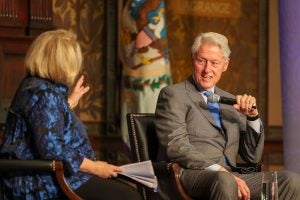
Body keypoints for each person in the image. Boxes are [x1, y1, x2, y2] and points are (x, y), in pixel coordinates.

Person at [154, 32, 300, 200]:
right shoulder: (174, 95)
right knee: (225, 180)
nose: (207, 69)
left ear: (225, 65)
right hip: (190, 175)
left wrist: (252, 118)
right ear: (192, 60)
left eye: (214, 63)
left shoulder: (230, 101)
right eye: (201, 61)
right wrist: (217, 169)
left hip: (231, 175)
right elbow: (176, 146)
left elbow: (252, 157)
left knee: (291, 181)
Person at [0, 29, 142, 200]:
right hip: (41, 182)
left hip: (54, 175)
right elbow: (53, 148)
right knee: (131, 197)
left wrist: (67, 104)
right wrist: (95, 167)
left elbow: (44, 125)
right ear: (62, 62)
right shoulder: (42, 93)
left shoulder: (38, 88)